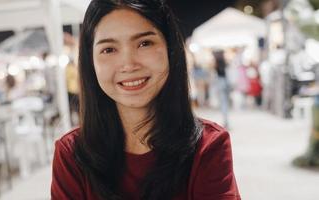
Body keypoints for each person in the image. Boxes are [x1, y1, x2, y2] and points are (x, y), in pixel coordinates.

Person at [51, 0, 241, 200]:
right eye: (109, 49)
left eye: (144, 43)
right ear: (91, 63)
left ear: (170, 50)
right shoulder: (71, 154)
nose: (128, 64)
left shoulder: (208, 147)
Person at [213, 50, 230, 129]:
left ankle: (226, 121)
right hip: (225, 83)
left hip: (221, 83)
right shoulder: (224, 63)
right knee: (225, 103)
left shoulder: (217, 64)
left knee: (223, 103)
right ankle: (226, 121)